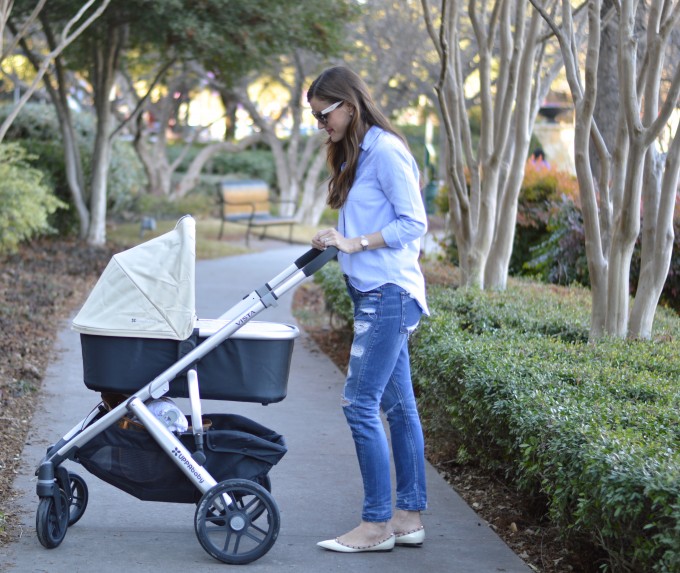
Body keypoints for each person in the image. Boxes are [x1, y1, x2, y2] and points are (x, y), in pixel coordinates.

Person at [308, 66, 429, 553]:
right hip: (372, 292)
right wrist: (335, 240)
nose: (322, 125)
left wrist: (352, 242)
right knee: (398, 408)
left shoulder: (387, 151)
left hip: (389, 293)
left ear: (349, 105)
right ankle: (409, 517)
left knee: (359, 405)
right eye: (316, 118)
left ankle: (377, 524)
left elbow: (413, 223)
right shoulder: (358, 153)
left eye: (325, 115)